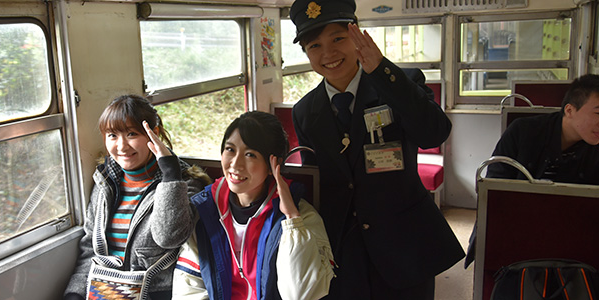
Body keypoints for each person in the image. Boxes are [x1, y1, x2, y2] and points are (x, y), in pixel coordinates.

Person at [288, 0, 465, 298]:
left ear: (357, 37)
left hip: (405, 245)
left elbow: (435, 133)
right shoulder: (305, 111)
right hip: (343, 251)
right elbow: (317, 184)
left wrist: (381, 71)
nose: (328, 53)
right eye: (314, 45)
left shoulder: (399, 83)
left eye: (338, 39)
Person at [172, 111, 335, 300]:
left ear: (274, 164)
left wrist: (292, 219)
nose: (235, 164)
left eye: (250, 154)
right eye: (230, 149)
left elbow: (301, 294)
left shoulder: (303, 218)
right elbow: (188, 289)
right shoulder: (206, 210)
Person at [63, 94, 210, 300]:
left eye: (131, 134)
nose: (122, 146)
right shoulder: (106, 182)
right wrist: (75, 293)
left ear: (154, 134)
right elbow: (90, 249)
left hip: (156, 293)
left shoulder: (185, 184)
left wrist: (170, 175)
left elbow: (169, 238)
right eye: (112, 136)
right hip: (106, 291)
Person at [464, 74, 599, 268]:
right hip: (514, 231)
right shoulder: (523, 132)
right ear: (569, 110)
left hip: (571, 241)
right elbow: (495, 192)